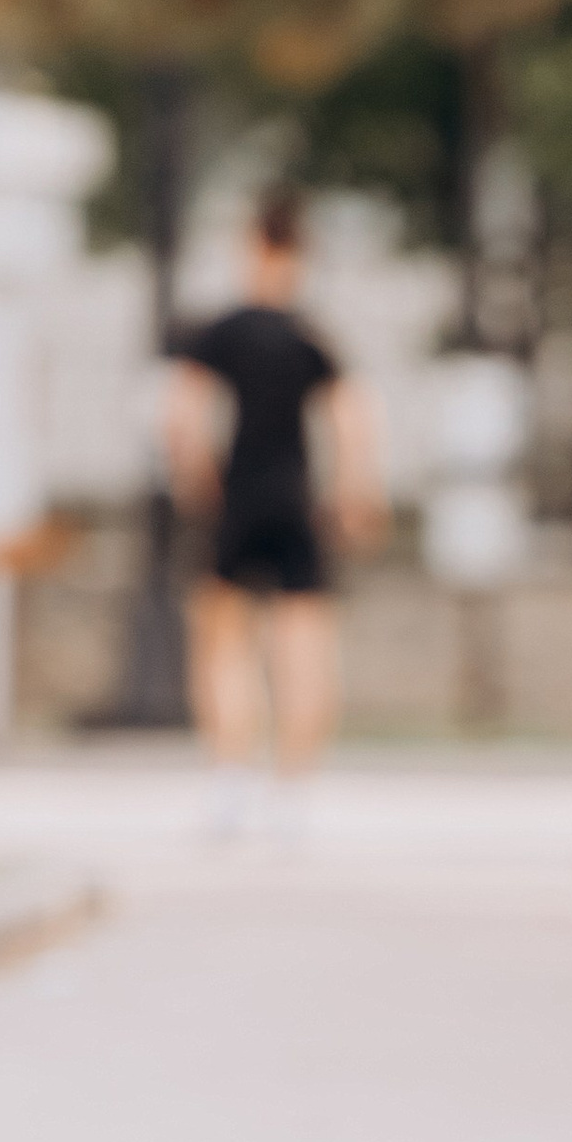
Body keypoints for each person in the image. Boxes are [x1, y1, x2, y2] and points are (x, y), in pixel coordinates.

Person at [164, 190, 385, 832]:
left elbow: (183, 414)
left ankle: (231, 779)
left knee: (223, 642)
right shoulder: (312, 337)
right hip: (297, 500)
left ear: (251, 250)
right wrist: (354, 493)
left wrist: (196, 477)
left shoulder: (220, 331)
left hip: (239, 499)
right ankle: (293, 789)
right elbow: (353, 419)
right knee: (305, 645)